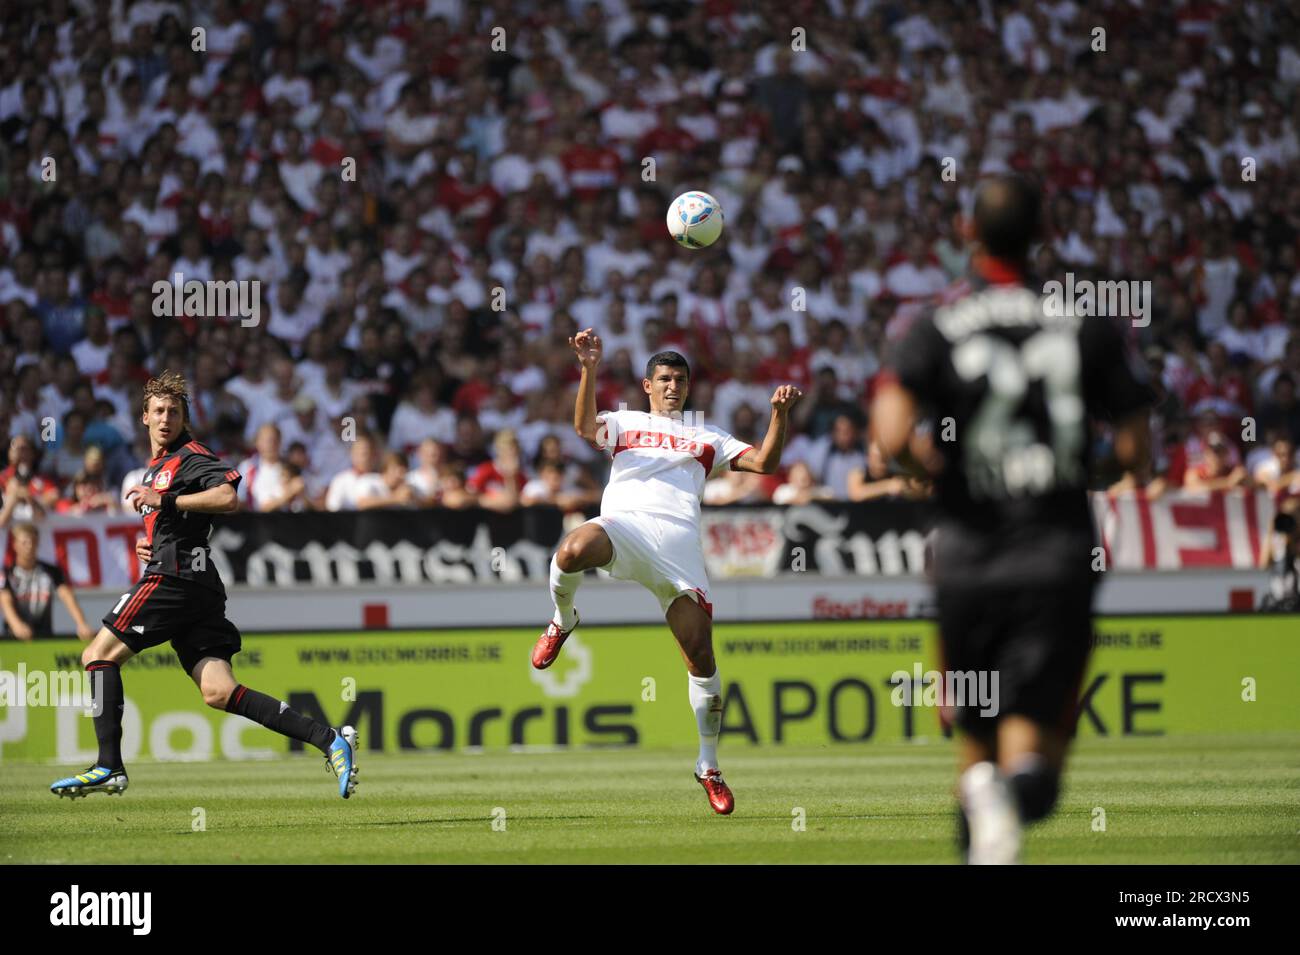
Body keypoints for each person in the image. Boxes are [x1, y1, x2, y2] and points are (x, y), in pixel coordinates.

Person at [870, 175, 1151, 863]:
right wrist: (1082, 472)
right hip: (1057, 555)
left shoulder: (932, 325)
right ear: (1041, 236)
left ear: (969, 233)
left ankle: (987, 808)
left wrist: (929, 472)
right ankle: (1010, 797)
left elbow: (888, 433)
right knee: (1037, 772)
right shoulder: (1089, 322)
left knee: (978, 758)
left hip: (967, 556)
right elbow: (1135, 447)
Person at [47, 371, 358, 800]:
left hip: (175, 580)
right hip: (195, 583)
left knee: (97, 655)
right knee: (218, 690)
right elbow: (182, 522)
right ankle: (328, 738)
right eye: (158, 410)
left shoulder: (190, 456)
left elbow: (229, 498)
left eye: (173, 411)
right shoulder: (157, 466)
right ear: (144, 417)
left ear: (183, 418)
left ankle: (108, 765)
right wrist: (154, 542)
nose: (165, 418)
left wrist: (167, 502)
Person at [534, 330, 801, 814]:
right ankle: (563, 617)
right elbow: (580, 428)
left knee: (700, 657)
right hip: (625, 527)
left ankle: (708, 764)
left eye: (680, 379)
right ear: (647, 385)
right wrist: (589, 368)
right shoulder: (624, 421)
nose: (673, 385)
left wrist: (778, 416)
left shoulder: (707, 437)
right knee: (572, 550)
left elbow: (764, 462)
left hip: (679, 552)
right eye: (664, 378)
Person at [0, 523, 95, 641]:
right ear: (15, 545)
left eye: (33, 542)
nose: (29, 546)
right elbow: (5, 600)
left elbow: (66, 595)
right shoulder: (6, 573)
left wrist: (81, 623)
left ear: (38, 543)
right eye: (24, 542)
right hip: (13, 638)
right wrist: (16, 626)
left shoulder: (51, 571)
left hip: (44, 636)